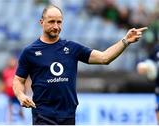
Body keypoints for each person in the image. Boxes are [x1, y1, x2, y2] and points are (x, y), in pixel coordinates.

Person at [13, 5, 147, 125]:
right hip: (43, 115)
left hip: (68, 115)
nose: (56, 26)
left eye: (59, 22)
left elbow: (104, 58)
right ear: (41, 22)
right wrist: (21, 95)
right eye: (51, 21)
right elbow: (18, 80)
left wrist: (125, 41)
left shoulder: (72, 48)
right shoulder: (30, 52)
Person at [2, 56, 24, 123]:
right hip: (10, 93)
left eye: (13, 61)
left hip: (17, 92)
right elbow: (4, 82)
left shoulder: (18, 71)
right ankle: (10, 121)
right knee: (10, 107)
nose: (12, 63)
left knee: (21, 107)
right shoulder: (5, 71)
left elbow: (23, 81)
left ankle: (23, 119)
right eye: (11, 61)